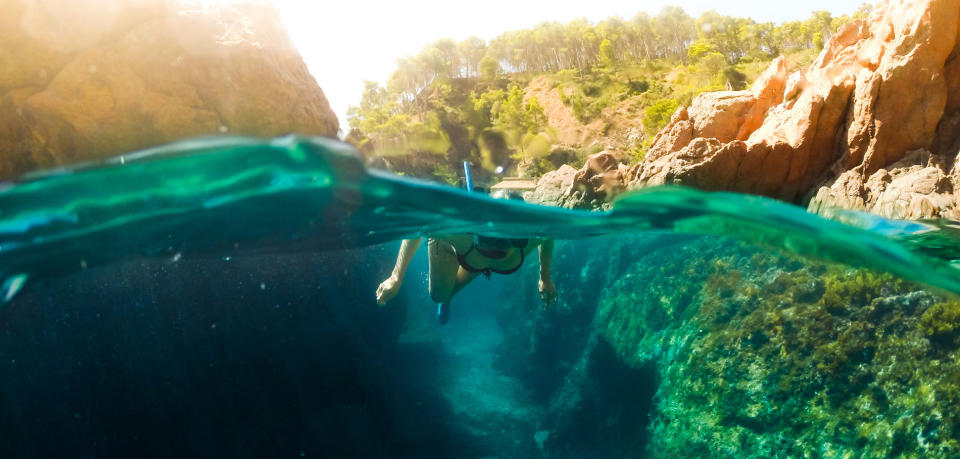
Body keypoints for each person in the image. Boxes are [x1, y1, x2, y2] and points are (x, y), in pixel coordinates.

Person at [375, 233, 556, 325]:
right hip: (448, 245)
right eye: (488, 249)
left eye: (497, 252)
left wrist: (545, 277)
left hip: (473, 256)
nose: (492, 253)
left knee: (477, 264)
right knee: (438, 295)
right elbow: (419, 228)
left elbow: (548, 235)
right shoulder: (460, 236)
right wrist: (396, 277)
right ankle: (445, 298)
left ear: (518, 242)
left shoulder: (526, 242)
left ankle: (449, 296)